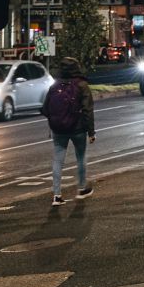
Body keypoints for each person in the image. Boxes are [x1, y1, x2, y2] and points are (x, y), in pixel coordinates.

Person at [42, 56, 95, 206]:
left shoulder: (55, 85)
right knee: (81, 157)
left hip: (58, 129)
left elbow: (45, 109)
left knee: (58, 159)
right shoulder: (82, 85)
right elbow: (88, 110)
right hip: (78, 129)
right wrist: (91, 132)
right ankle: (82, 189)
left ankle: (57, 195)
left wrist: (55, 120)